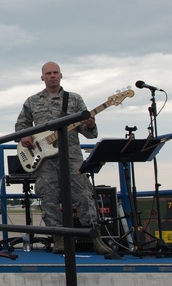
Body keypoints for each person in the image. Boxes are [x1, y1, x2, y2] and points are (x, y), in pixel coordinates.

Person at [15, 61, 111, 254]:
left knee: (84, 196)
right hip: (46, 160)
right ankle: (58, 238)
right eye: (48, 73)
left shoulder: (74, 100)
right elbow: (21, 124)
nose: (52, 76)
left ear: (61, 75)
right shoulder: (32, 101)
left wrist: (90, 125)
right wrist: (24, 135)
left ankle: (95, 238)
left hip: (72, 157)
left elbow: (89, 133)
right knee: (48, 197)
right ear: (42, 77)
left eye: (55, 72)